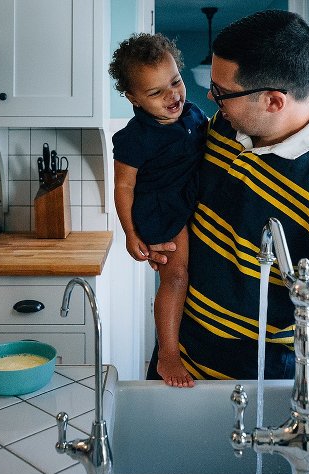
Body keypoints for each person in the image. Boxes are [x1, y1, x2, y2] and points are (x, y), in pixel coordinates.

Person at [145, 10, 309, 474]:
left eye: (223, 92)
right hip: (178, 363)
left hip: (257, 393)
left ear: (274, 100)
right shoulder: (224, 129)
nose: (210, 99)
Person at [109, 33, 207, 388]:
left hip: (191, 197)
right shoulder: (133, 138)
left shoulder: (193, 114)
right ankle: (167, 354)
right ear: (133, 98)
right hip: (160, 209)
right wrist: (130, 233)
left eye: (175, 81)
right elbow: (124, 187)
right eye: (156, 93)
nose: (173, 96)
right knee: (176, 277)